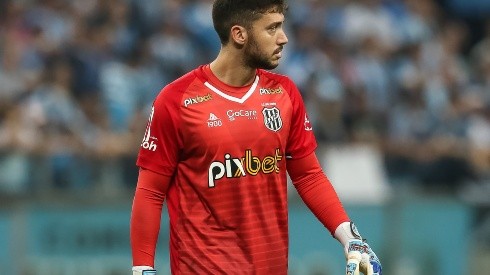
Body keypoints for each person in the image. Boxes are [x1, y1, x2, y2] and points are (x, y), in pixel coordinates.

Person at [130, 1, 382, 274]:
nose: (283, 38)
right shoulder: (176, 100)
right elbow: (150, 192)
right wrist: (142, 268)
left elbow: (308, 175)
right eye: (272, 28)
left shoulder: (284, 93)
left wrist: (351, 238)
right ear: (239, 34)